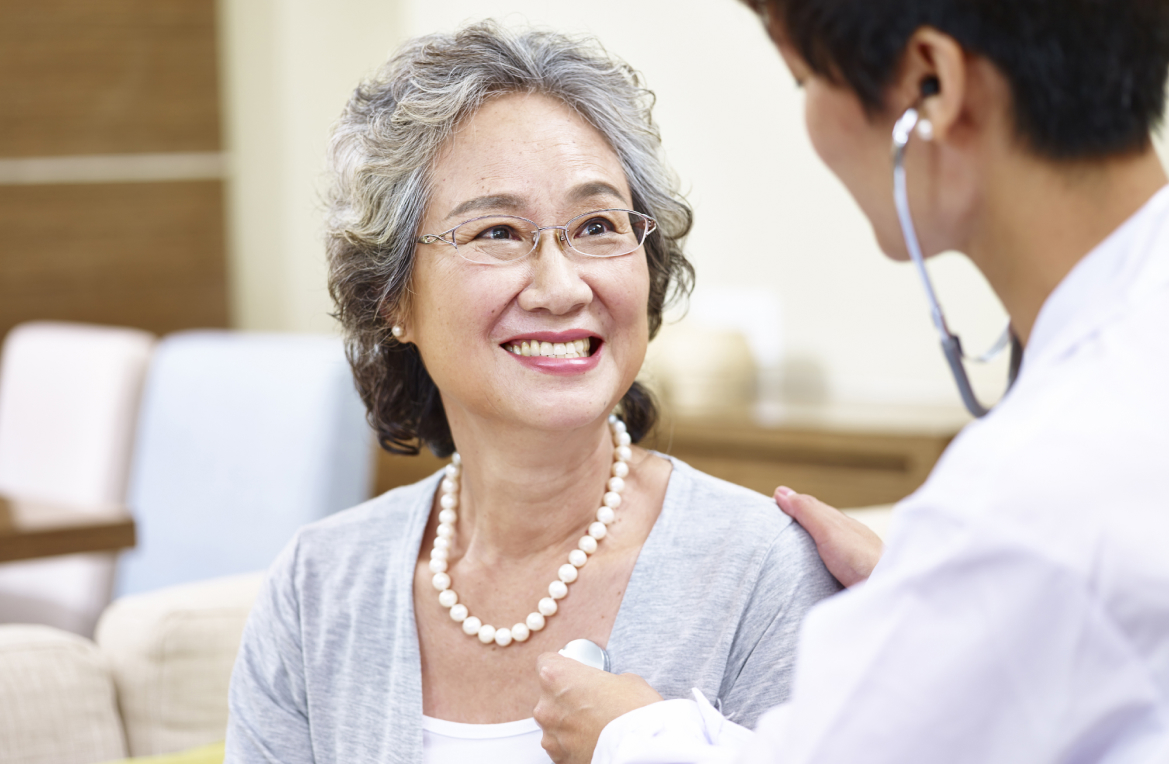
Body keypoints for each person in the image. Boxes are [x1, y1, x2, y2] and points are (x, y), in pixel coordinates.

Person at [533, 0, 1169, 762]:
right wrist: (940, 592)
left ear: (930, 82)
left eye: (805, 82)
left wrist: (629, 737)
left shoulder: (1040, 479)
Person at [224, 22, 840, 764]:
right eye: (497, 233)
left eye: (596, 225)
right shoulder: (317, 587)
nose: (560, 285)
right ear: (393, 298)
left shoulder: (765, 571)